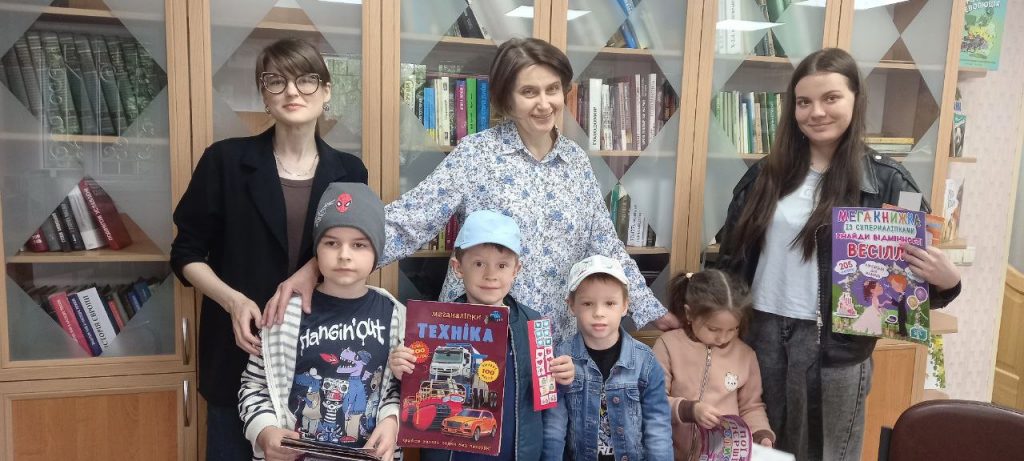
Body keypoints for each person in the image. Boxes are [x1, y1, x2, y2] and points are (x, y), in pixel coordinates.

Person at [265, 37, 677, 341]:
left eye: (552, 89)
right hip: (476, 331)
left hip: (549, 337)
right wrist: (316, 268)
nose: (544, 103)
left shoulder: (576, 162)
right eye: (529, 91)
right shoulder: (477, 154)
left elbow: (604, 242)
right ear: (507, 100)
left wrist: (650, 310)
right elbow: (410, 220)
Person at [715, 48, 962, 461]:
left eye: (831, 98)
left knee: (828, 453)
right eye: (804, 101)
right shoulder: (765, 174)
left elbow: (910, 287)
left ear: (855, 100)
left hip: (835, 346)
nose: (816, 112)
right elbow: (730, 260)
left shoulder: (888, 181)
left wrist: (947, 282)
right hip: (759, 334)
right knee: (757, 449)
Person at [170, 38, 368, 460]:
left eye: (305, 80)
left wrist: (311, 269)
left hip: (322, 360)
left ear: (327, 91)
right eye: (276, 81)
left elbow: (358, 250)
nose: (292, 91)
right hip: (239, 351)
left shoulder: (350, 172)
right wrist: (233, 300)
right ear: (264, 94)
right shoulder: (224, 161)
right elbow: (185, 252)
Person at [387, 209, 575, 461]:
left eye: (502, 265)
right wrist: (402, 370)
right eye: (478, 264)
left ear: (516, 269)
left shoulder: (533, 323)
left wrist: (561, 379)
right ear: (458, 268)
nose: (490, 275)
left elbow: (545, 396)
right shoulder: (434, 324)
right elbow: (416, 385)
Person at [238, 183, 403, 461]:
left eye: (359, 244)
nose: (344, 254)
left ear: (378, 250)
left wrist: (393, 421)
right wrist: (265, 432)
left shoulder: (396, 316)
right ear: (316, 250)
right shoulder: (284, 314)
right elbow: (254, 385)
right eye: (331, 243)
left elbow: (400, 389)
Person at [542, 255, 673, 460]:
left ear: (625, 306)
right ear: (572, 305)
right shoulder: (561, 358)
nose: (599, 313)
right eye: (588, 303)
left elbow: (658, 427)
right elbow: (554, 427)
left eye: (610, 303)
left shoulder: (645, 362)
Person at [652, 270, 774, 460]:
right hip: (671, 452)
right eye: (713, 329)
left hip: (723, 454)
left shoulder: (746, 355)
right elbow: (653, 400)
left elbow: (751, 406)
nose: (723, 338)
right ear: (689, 313)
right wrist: (689, 410)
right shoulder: (668, 345)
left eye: (733, 329)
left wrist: (761, 435)